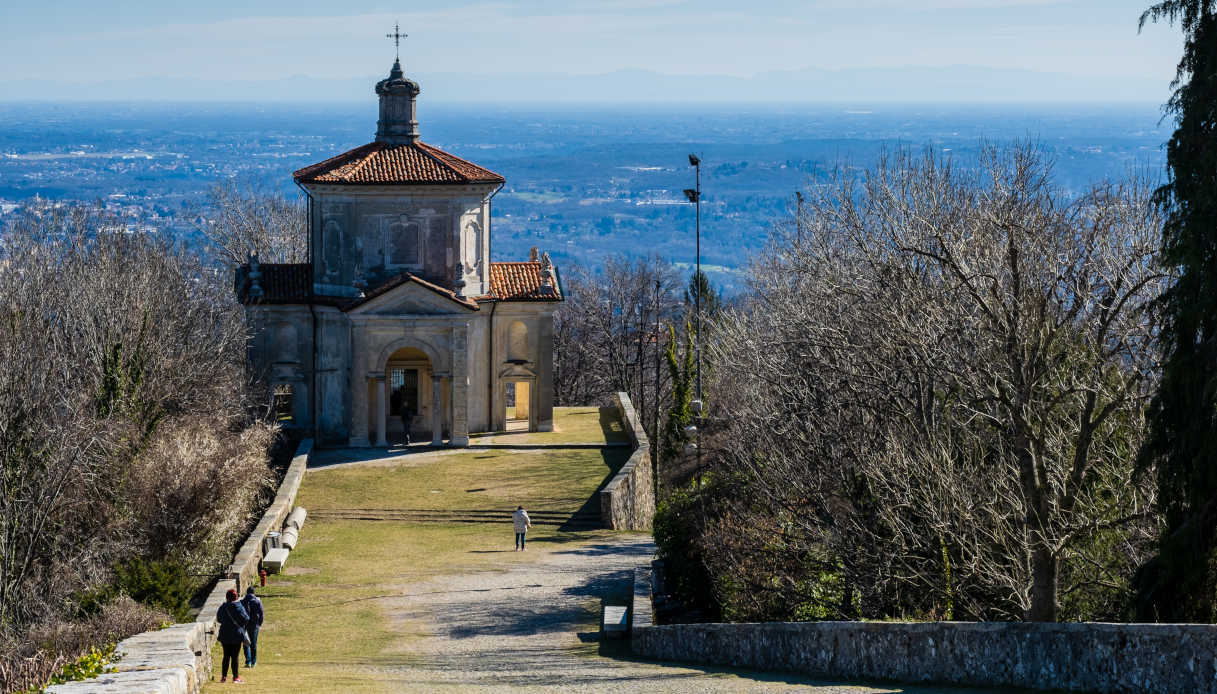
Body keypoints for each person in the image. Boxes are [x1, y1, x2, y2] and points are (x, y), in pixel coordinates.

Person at [216, 587, 249, 684]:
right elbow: (246, 618)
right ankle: (235, 677)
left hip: (225, 635)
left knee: (226, 656)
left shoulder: (223, 607)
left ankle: (223, 677)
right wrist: (240, 625)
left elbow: (219, 619)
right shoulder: (239, 606)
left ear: (227, 597)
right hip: (236, 635)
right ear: (236, 597)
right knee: (235, 657)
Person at [241, 586, 264, 668]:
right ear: (254, 593)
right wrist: (259, 623)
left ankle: (248, 661)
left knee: (246, 643)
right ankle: (254, 662)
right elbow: (261, 613)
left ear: (247, 593)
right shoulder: (257, 602)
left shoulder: (242, 601)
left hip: (245, 625)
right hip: (255, 625)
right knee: (253, 644)